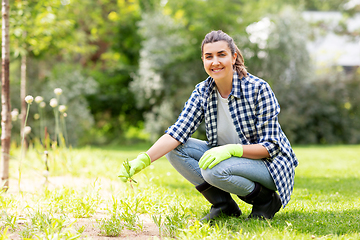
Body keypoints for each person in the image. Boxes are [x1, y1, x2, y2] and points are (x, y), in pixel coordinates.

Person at [119, 30, 298, 221]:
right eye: (209, 56)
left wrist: (232, 150)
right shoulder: (203, 91)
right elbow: (177, 132)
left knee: (213, 170)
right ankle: (224, 205)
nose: (215, 62)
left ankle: (266, 201)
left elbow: (270, 146)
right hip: (228, 157)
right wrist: (144, 159)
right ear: (203, 60)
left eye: (221, 54)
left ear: (233, 56)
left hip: (269, 165)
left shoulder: (258, 88)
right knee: (175, 149)